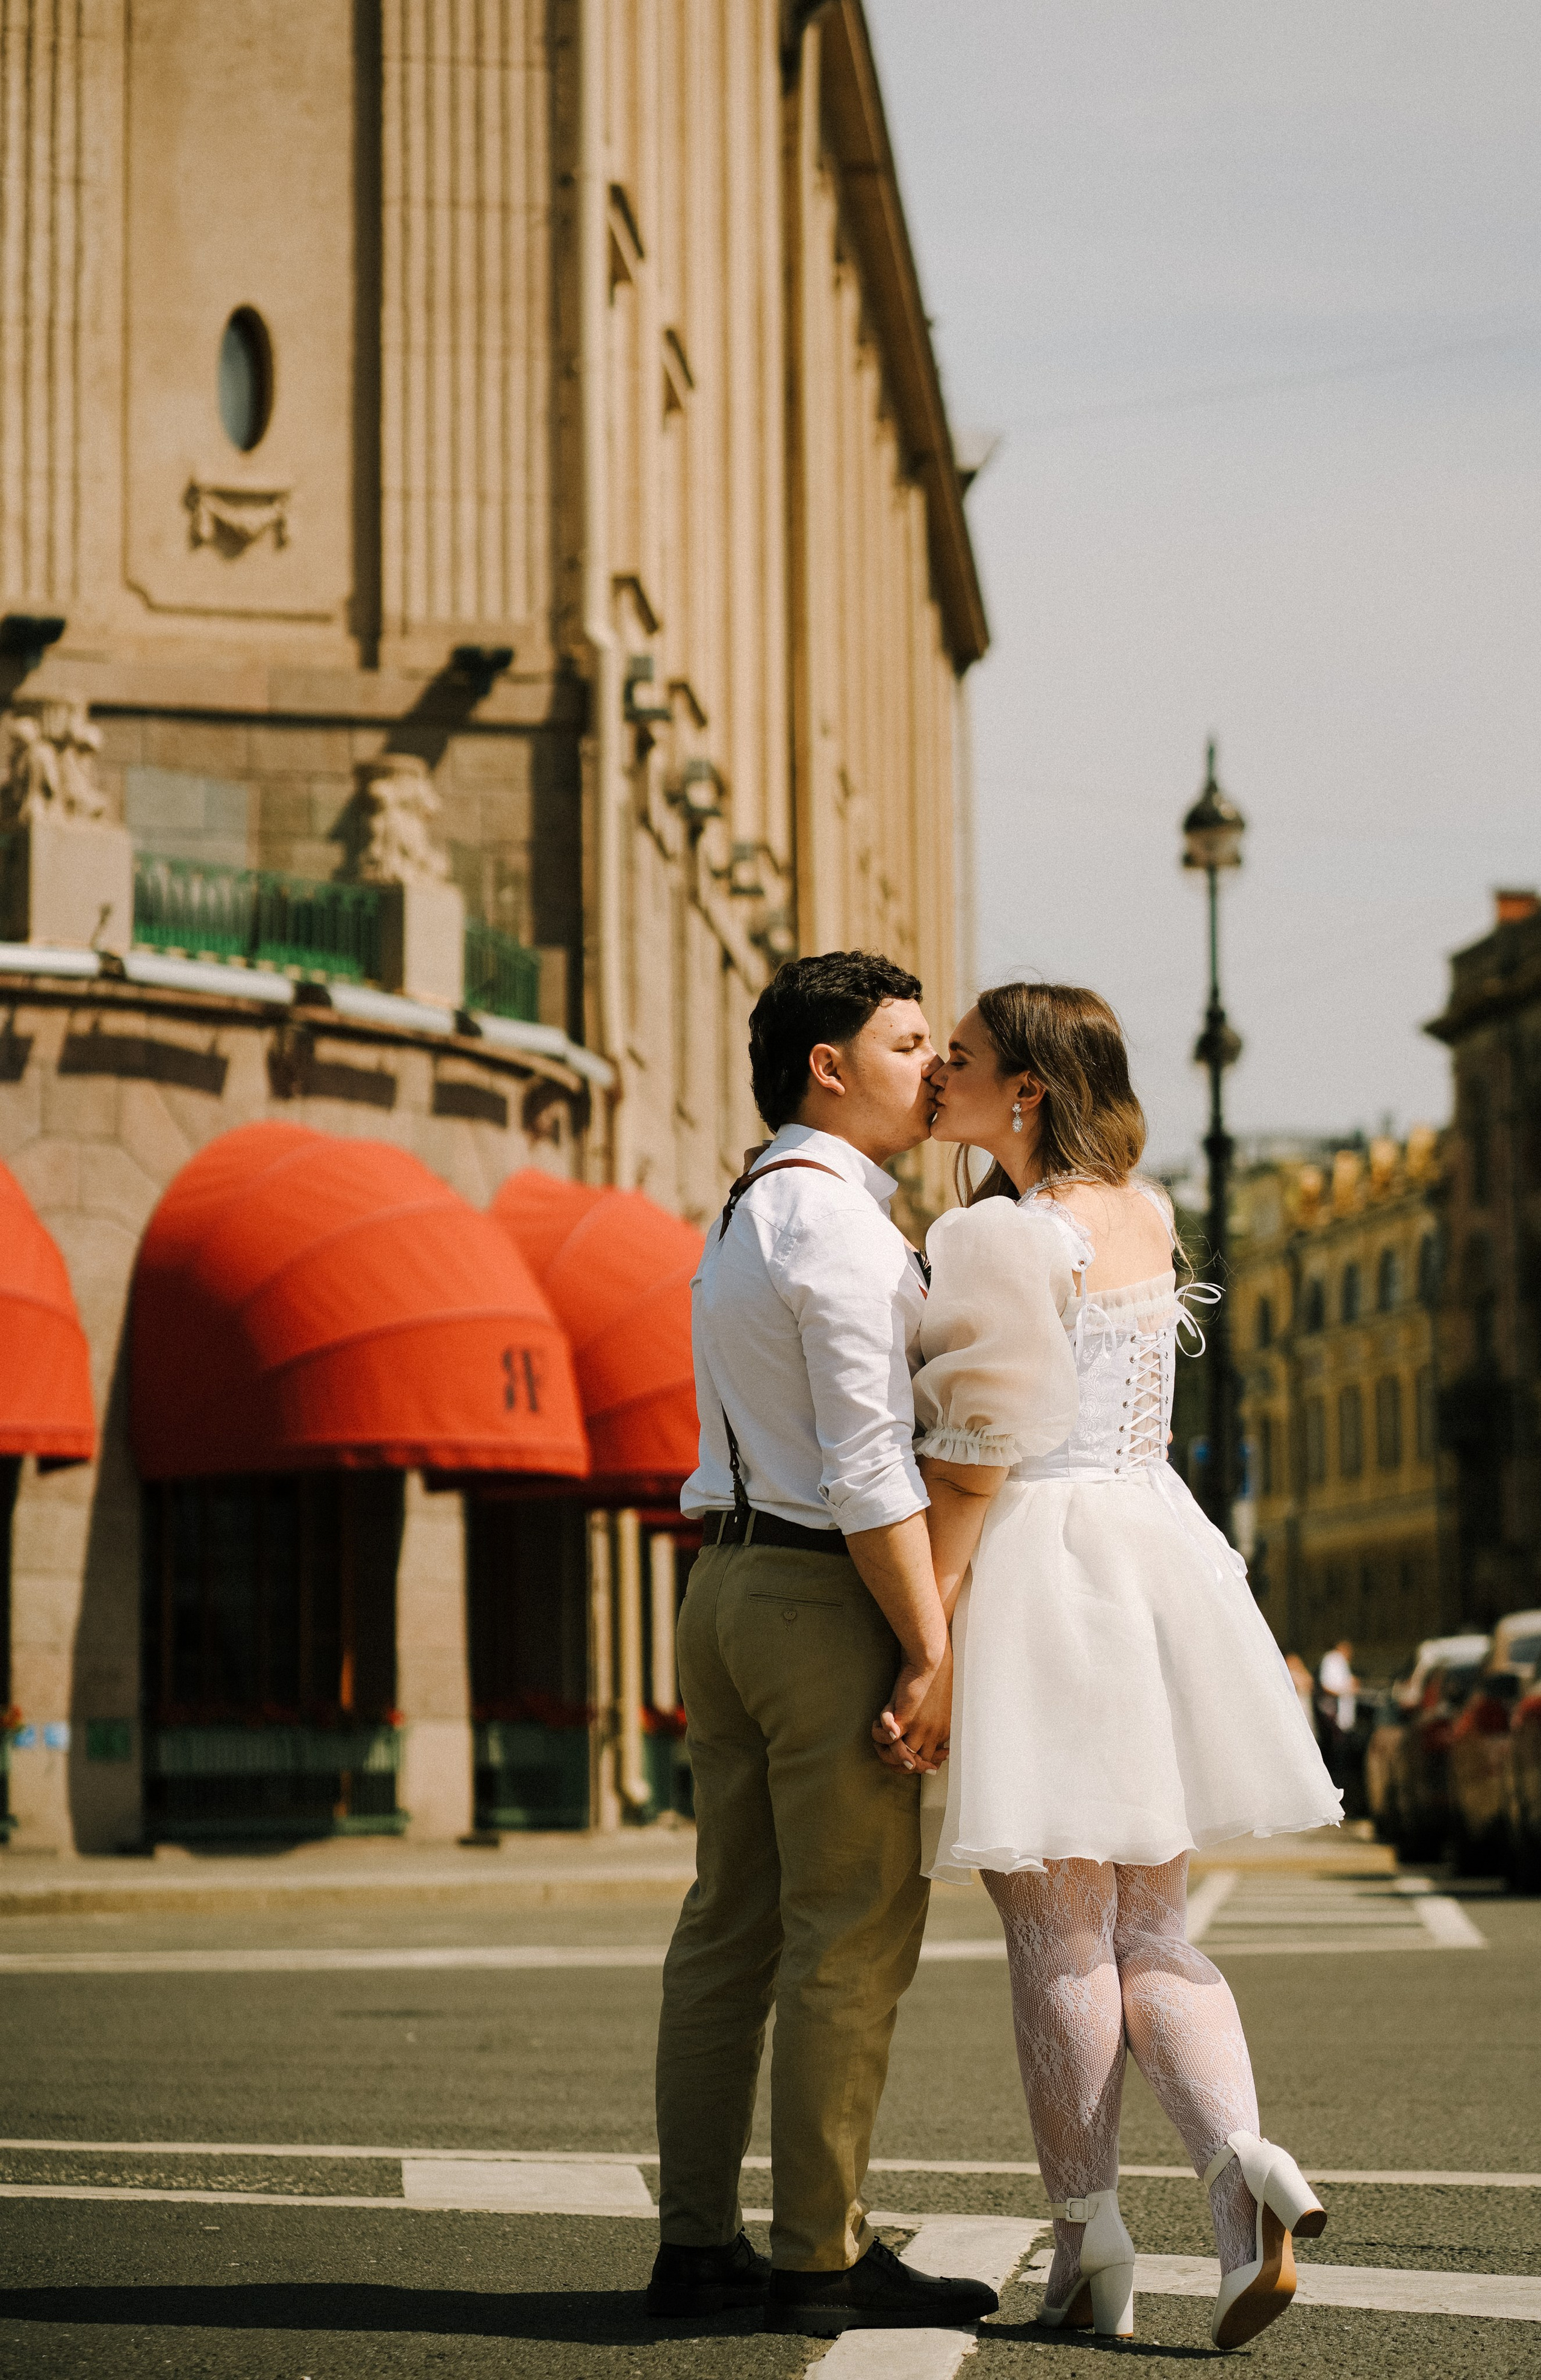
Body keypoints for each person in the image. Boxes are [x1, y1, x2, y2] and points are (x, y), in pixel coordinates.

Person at [877, 981, 1342, 2351]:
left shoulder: (997, 1236)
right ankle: (1238, 2166)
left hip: (1042, 1565)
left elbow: (973, 1457)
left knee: (1056, 1928)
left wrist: (931, 1648)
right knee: (1151, 1923)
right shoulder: (1139, 1216)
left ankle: (1085, 2242)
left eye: (956, 1062)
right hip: (1155, 1556)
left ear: (1021, 1089)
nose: (936, 1082)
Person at [648, 950, 999, 2337]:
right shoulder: (844, 1230)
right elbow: (867, 1470)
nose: (933, 1068)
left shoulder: (748, 1207)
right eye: (908, 1043)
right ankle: (816, 2253)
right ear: (826, 1067)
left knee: (724, 1931)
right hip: (815, 1596)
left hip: (723, 1590)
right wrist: (927, 1649)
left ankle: (695, 2245)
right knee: (846, 1936)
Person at [1316, 1639, 1361, 1799]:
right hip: (1334, 1720)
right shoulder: (1333, 1659)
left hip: (1342, 1721)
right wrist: (1348, 1687)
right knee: (1336, 1761)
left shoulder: (1340, 1662)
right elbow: (1327, 1686)